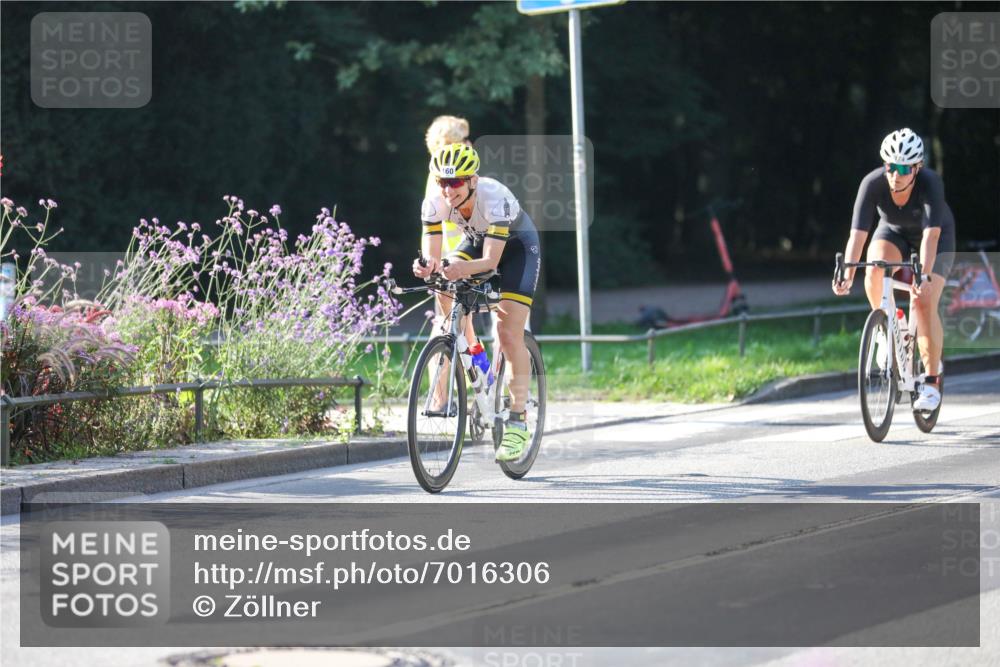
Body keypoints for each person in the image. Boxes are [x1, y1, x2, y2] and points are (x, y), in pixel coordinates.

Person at [413, 143, 541, 462]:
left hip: (517, 249)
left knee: (508, 334)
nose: (448, 190)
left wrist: (458, 268)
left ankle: (518, 420)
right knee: (443, 284)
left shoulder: (494, 197)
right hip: (478, 242)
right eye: (442, 182)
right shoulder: (434, 203)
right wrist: (428, 266)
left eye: (455, 182)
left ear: (472, 180)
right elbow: (433, 256)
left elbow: (490, 262)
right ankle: (477, 357)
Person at [833, 128, 956, 410]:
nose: (895, 175)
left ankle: (931, 382)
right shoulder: (872, 183)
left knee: (923, 301)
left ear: (917, 168)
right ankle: (887, 326)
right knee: (875, 268)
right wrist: (847, 275)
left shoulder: (930, 183)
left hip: (935, 237)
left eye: (903, 169)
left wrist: (923, 276)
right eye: (890, 167)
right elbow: (857, 236)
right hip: (893, 232)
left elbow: (930, 238)